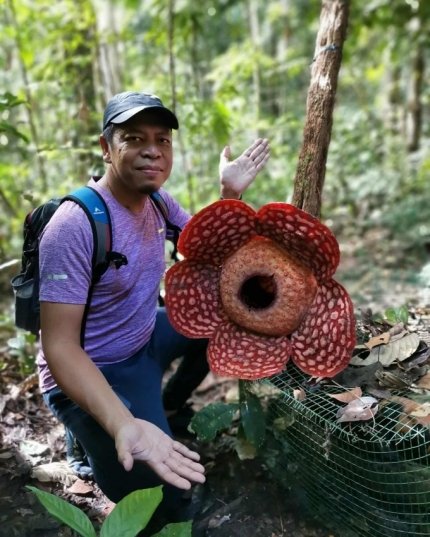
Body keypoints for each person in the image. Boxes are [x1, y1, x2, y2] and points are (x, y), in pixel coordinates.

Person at [37, 91, 270, 525]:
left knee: (214, 322)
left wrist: (229, 192)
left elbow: (206, 248)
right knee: (166, 502)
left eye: (162, 140)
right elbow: (60, 346)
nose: (152, 150)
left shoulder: (158, 203)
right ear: (106, 147)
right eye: (133, 137)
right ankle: (94, 428)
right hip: (95, 367)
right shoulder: (74, 226)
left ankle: (167, 406)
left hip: (145, 337)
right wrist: (124, 423)